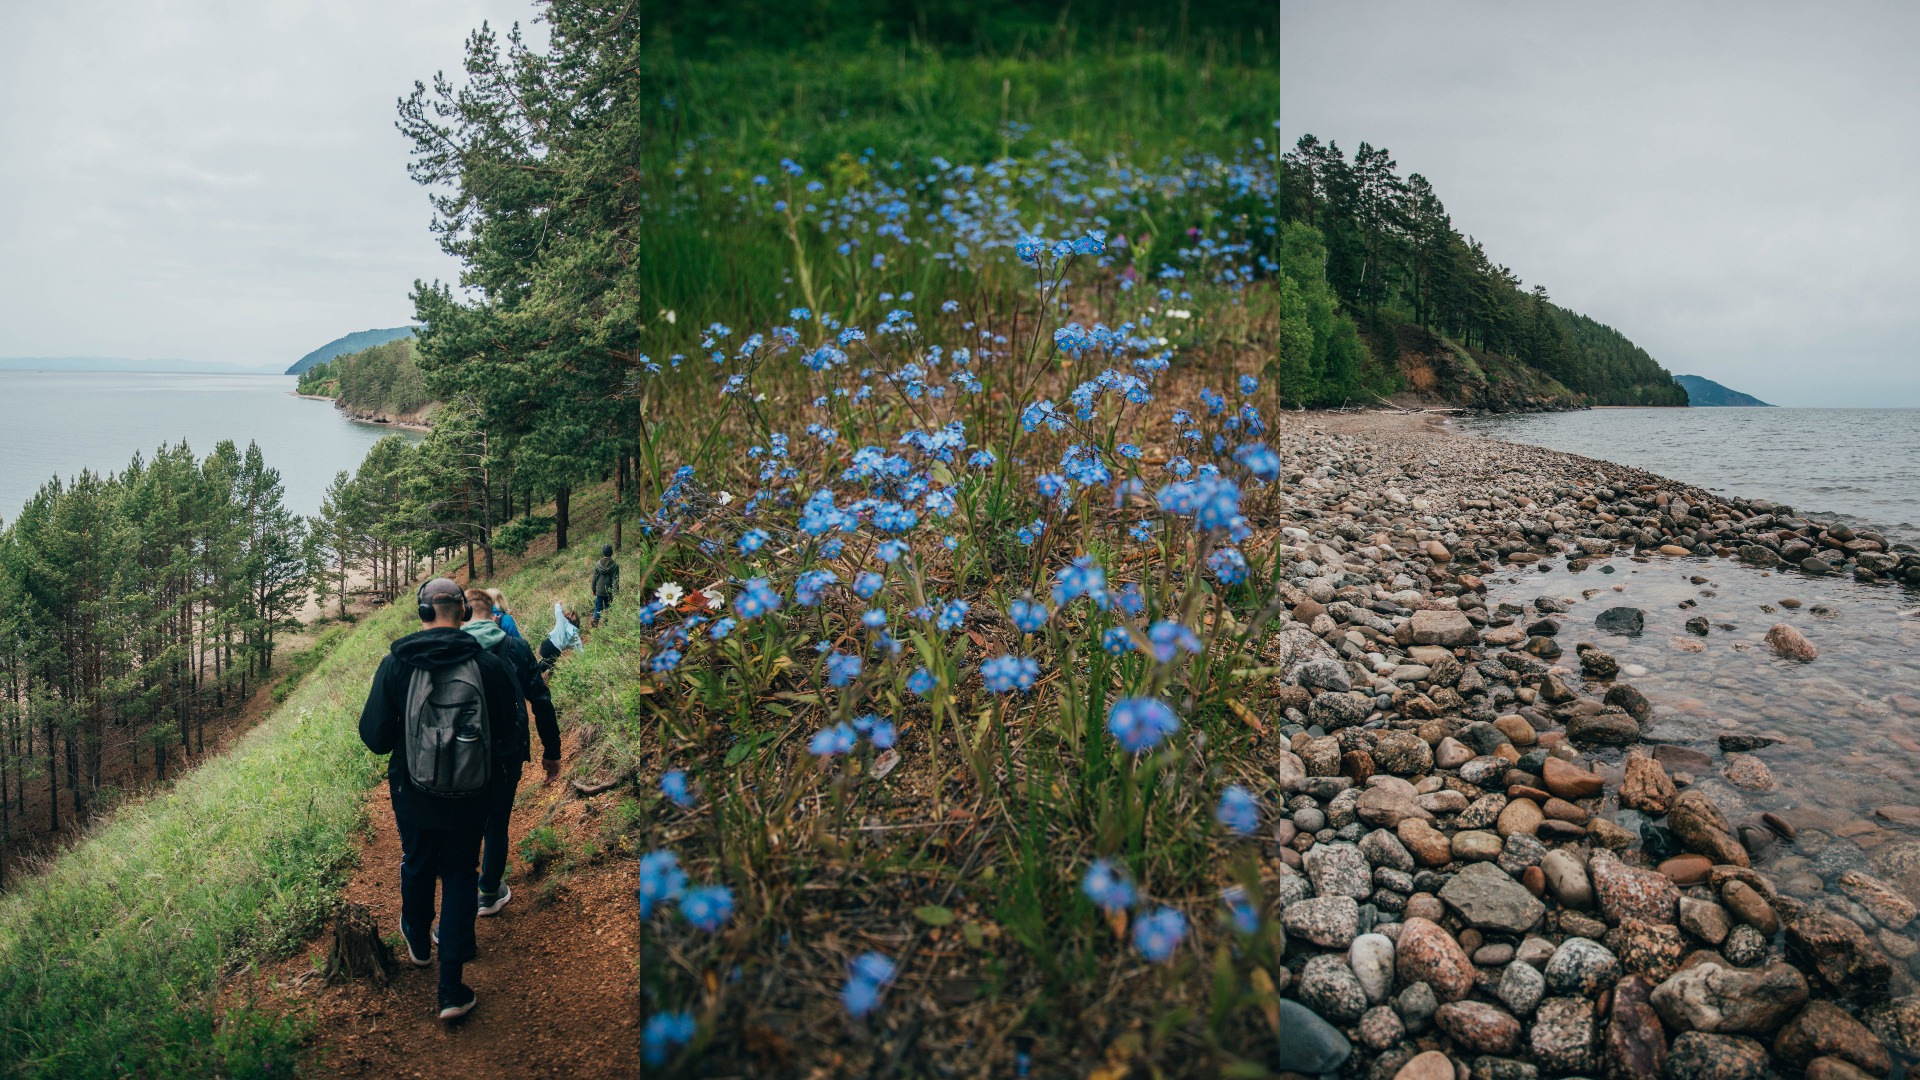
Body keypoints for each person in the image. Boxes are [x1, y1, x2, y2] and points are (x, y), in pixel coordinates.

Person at [358, 577, 520, 1021]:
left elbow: (375, 737)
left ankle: (415, 931)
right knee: (461, 873)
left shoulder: (396, 664)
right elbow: (509, 733)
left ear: (423, 612)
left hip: (413, 791)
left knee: (417, 858)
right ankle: (451, 988)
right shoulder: (487, 665)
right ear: (463, 614)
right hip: (472, 795)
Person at [461, 588, 561, 915]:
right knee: (497, 822)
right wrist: (552, 751)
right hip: (507, 752)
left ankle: (458, 901)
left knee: (463, 822)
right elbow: (541, 701)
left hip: (461, 754)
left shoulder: (451, 649)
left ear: (463, 614)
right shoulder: (515, 647)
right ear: (494, 615)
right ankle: (489, 890)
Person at [590, 544, 620, 626]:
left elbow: (594, 578)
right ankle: (606, 624)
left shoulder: (597, 564)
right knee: (608, 608)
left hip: (599, 590)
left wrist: (593, 588)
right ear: (611, 553)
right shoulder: (615, 565)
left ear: (602, 553)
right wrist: (615, 592)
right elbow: (615, 580)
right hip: (609, 591)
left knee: (598, 607)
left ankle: (595, 620)